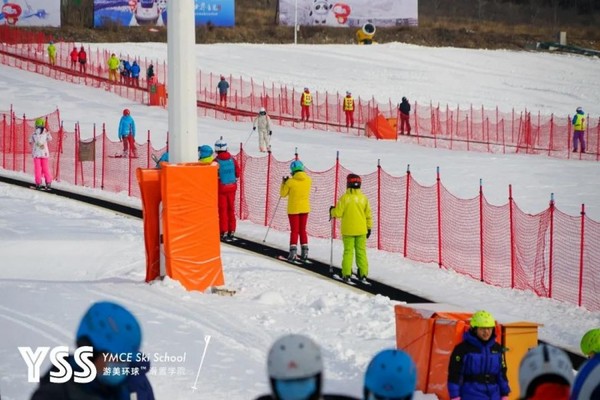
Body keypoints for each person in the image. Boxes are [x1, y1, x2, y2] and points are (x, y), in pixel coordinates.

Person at [30, 300, 155, 400]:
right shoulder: (56, 393)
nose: (120, 366)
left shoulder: (125, 387)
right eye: (115, 359)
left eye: (124, 360)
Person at [447, 310, 510, 400]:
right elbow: (455, 374)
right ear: (475, 329)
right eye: (482, 329)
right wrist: (455, 396)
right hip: (471, 394)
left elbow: (502, 373)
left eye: (489, 328)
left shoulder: (497, 349)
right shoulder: (462, 349)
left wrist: (505, 393)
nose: (486, 332)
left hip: (494, 395)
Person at [329, 174, 372, 283]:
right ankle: (363, 274)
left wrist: (332, 211)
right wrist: (369, 227)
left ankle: (346, 273)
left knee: (348, 251)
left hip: (348, 231)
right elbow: (368, 215)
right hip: (362, 230)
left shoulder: (345, 198)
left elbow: (338, 213)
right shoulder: (364, 198)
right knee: (361, 251)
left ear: (348, 184)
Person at [280, 160, 312, 262]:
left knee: (294, 231)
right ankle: (305, 252)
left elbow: (283, 194)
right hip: (305, 208)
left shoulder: (290, 182)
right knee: (302, 230)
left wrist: (283, 183)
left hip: (293, 209)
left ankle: (293, 253)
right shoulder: (308, 180)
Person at [214, 138, 240, 242]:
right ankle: (232, 230)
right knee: (231, 209)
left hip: (221, 188)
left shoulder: (216, 162)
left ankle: (223, 231)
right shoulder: (232, 160)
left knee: (222, 210)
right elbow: (237, 173)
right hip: (232, 187)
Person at [29, 117, 52, 190]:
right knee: (45, 168)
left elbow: (30, 141)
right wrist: (48, 133)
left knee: (37, 169)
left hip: (36, 154)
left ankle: (38, 183)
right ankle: (48, 183)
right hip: (44, 153)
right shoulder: (46, 133)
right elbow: (50, 139)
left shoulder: (34, 134)